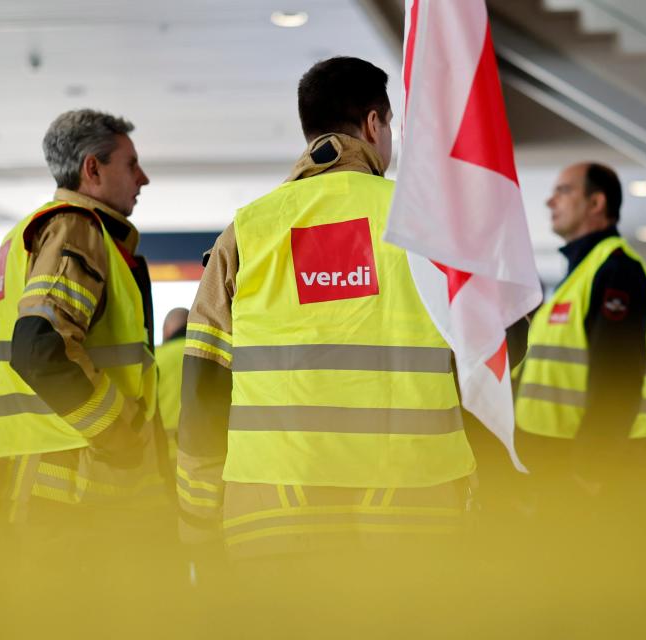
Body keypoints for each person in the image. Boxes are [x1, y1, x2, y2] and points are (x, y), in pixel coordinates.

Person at [176, 57, 489, 561]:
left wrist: (196, 515)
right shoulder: (427, 224)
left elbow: (203, 384)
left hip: (272, 508)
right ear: (373, 123)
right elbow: (493, 357)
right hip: (415, 502)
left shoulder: (247, 231)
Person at [0, 109, 168, 535]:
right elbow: (40, 347)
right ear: (92, 169)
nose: (143, 178)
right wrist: (120, 434)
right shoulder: (76, 228)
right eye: (131, 164)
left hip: (17, 483)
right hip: (78, 493)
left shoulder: (15, 243)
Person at [513, 162, 646, 535]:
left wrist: (590, 471)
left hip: (591, 470)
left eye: (563, 191)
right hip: (560, 465)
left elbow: (617, 376)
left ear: (596, 202)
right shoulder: (576, 275)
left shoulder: (617, 271)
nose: (550, 201)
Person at [156, 307, 188, 461]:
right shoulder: (209, 358)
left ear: (166, 330)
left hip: (162, 452)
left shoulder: (156, 359)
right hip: (202, 454)